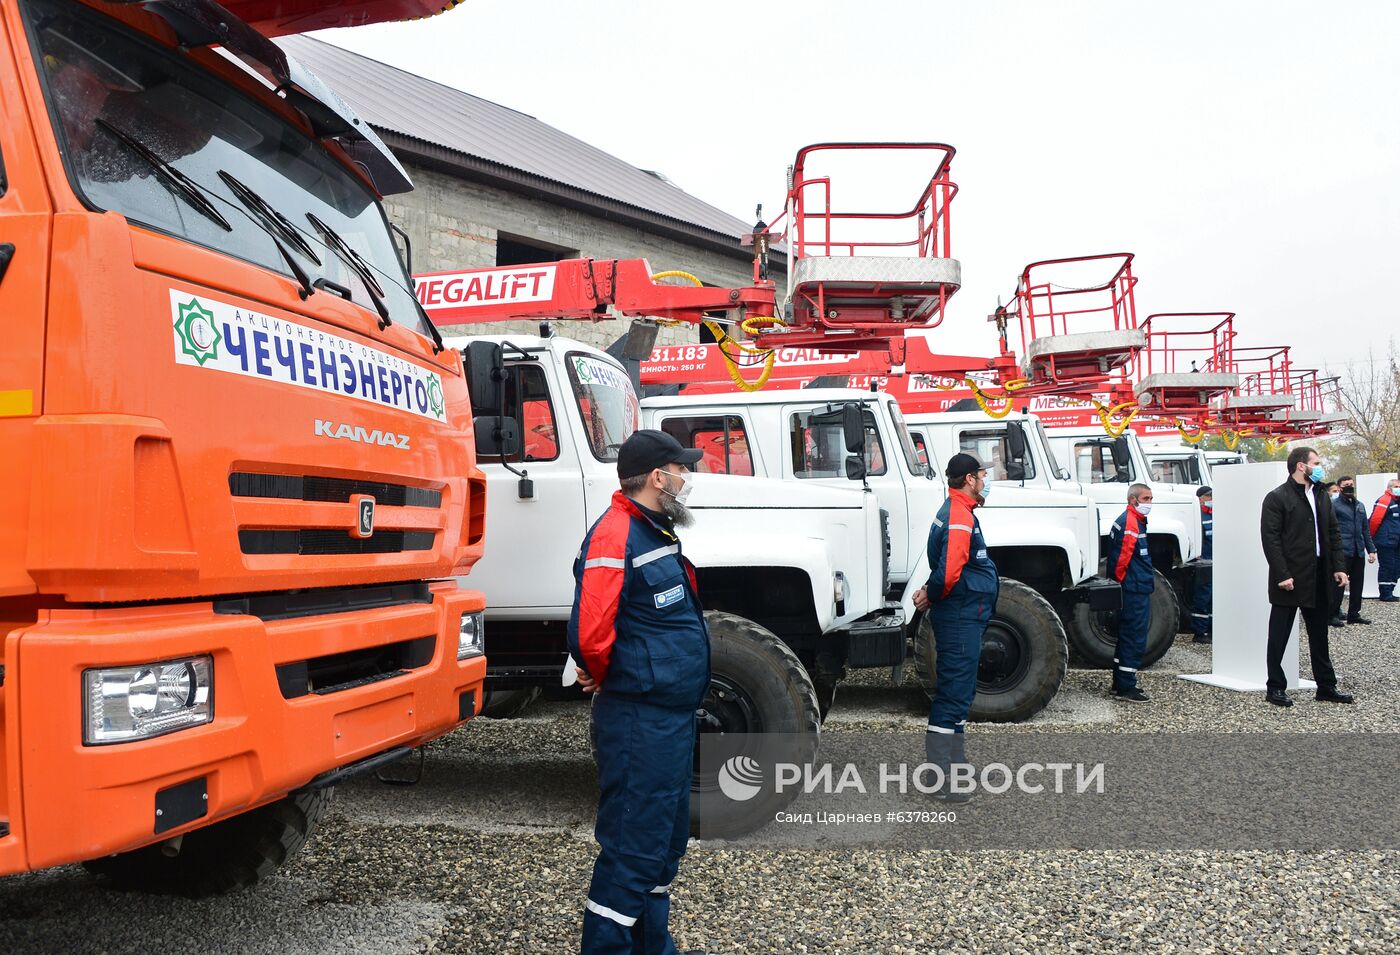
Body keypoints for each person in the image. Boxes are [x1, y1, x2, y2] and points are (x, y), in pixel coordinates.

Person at [567, 429, 710, 955]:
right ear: (658, 477)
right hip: (639, 723)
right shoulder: (616, 534)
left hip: (667, 721)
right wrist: (606, 672)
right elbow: (591, 632)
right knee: (632, 853)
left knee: (660, 849)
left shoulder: (654, 531)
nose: (686, 479)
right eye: (681, 469)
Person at [912, 453, 998, 800]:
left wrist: (930, 592)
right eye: (981, 475)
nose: (985, 481)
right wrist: (931, 594)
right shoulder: (960, 514)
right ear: (968, 480)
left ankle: (956, 766)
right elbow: (948, 571)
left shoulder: (959, 510)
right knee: (952, 696)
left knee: (960, 695)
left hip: (964, 612)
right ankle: (939, 780)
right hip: (960, 615)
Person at [1260, 446, 1353, 707]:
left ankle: (1326, 686)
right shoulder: (1277, 497)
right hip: (1290, 578)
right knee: (1278, 636)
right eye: (1317, 462)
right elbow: (1271, 540)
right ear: (1301, 466)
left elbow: (1333, 533)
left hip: (1319, 575)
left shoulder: (1322, 494)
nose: (1320, 466)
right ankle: (1275, 687)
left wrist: (1339, 566)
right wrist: (1282, 574)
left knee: (1319, 635)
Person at [1108, 484, 1155, 702]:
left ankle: (1120, 683)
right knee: (1134, 637)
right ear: (1133, 500)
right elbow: (1121, 561)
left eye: (1151, 498)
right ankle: (1127, 687)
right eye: (1146, 498)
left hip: (1134, 587)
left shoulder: (1134, 521)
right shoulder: (1131, 523)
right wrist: (1120, 586)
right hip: (1133, 589)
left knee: (1127, 636)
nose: (1150, 503)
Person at [1331, 476, 1376, 626]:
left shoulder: (1360, 505)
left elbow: (1365, 530)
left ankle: (1354, 614)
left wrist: (1371, 549)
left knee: (1358, 584)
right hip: (1343, 551)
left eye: (1351, 484)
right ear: (1340, 487)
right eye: (1346, 485)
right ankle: (1333, 614)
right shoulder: (1334, 505)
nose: (1350, 487)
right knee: (1339, 585)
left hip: (1358, 551)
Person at [1369, 475, 1400, 602]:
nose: (1398, 489)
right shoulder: (1385, 500)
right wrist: (1370, 539)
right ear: (1389, 488)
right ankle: (1385, 593)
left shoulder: (1397, 501)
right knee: (1387, 566)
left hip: (1396, 541)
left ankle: (1390, 591)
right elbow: (1374, 521)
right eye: (1396, 487)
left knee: (1396, 566)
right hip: (1386, 541)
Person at [1191, 486, 1214, 643]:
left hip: (1215, 564)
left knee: (1214, 598)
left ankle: (1212, 629)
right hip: (1203, 564)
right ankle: (1200, 632)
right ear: (1200, 499)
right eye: (1208, 496)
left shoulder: (1214, 514)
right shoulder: (1196, 517)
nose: (1212, 499)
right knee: (1202, 598)